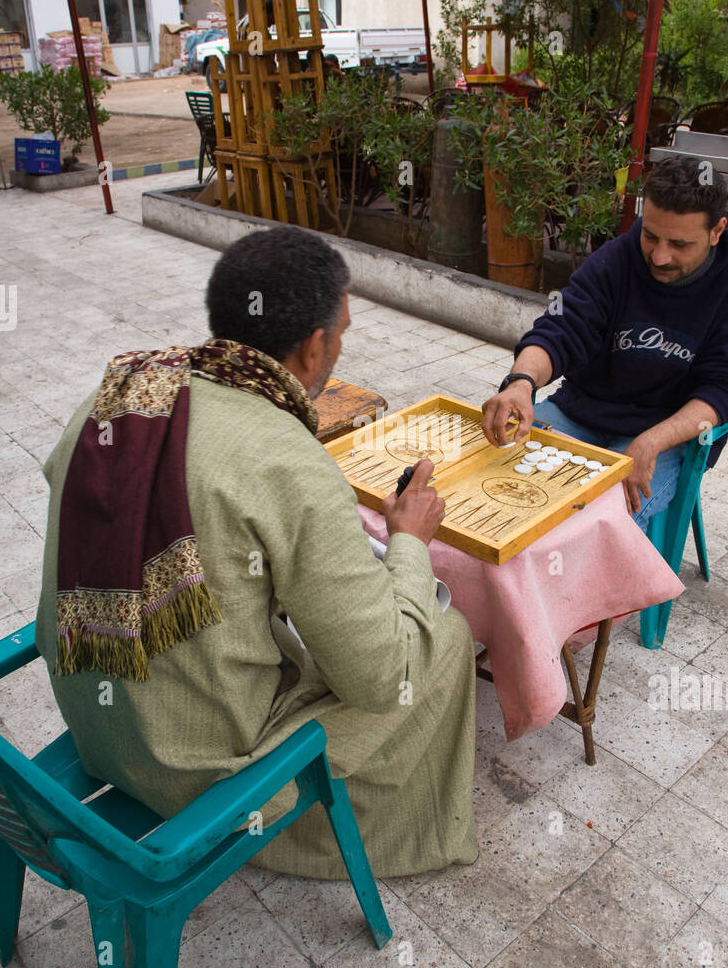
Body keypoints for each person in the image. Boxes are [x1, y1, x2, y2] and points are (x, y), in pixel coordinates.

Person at [35, 228, 478, 880]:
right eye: (343, 333)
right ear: (314, 345)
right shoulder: (289, 462)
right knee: (446, 637)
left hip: (103, 730)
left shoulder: (120, 392)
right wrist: (409, 541)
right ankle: (391, 830)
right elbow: (381, 677)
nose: (341, 347)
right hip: (199, 778)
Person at [481, 156, 728, 529]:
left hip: (668, 433)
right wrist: (520, 382)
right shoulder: (616, 259)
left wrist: (652, 441)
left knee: (595, 523)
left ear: (717, 231)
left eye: (679, 244)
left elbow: (726, 388)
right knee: (490, 472)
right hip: (581, 413)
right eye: (650, 235)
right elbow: (562, 327)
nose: (659, 256)